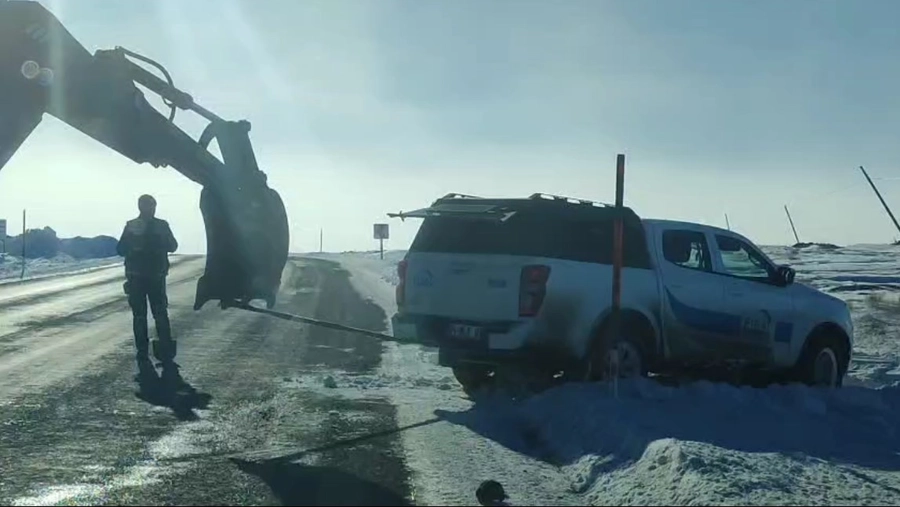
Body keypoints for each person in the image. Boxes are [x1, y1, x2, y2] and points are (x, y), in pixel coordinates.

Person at [116, 194, 180, 383]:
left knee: (145, 315)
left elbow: (120, 249)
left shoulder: (136, 225)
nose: (150, 209)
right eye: (149, 206)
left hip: (143, 277)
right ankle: (161, 350)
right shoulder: (158, 226)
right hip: (150, 277)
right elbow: (173, 246)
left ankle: (146, 351)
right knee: (155, 314)